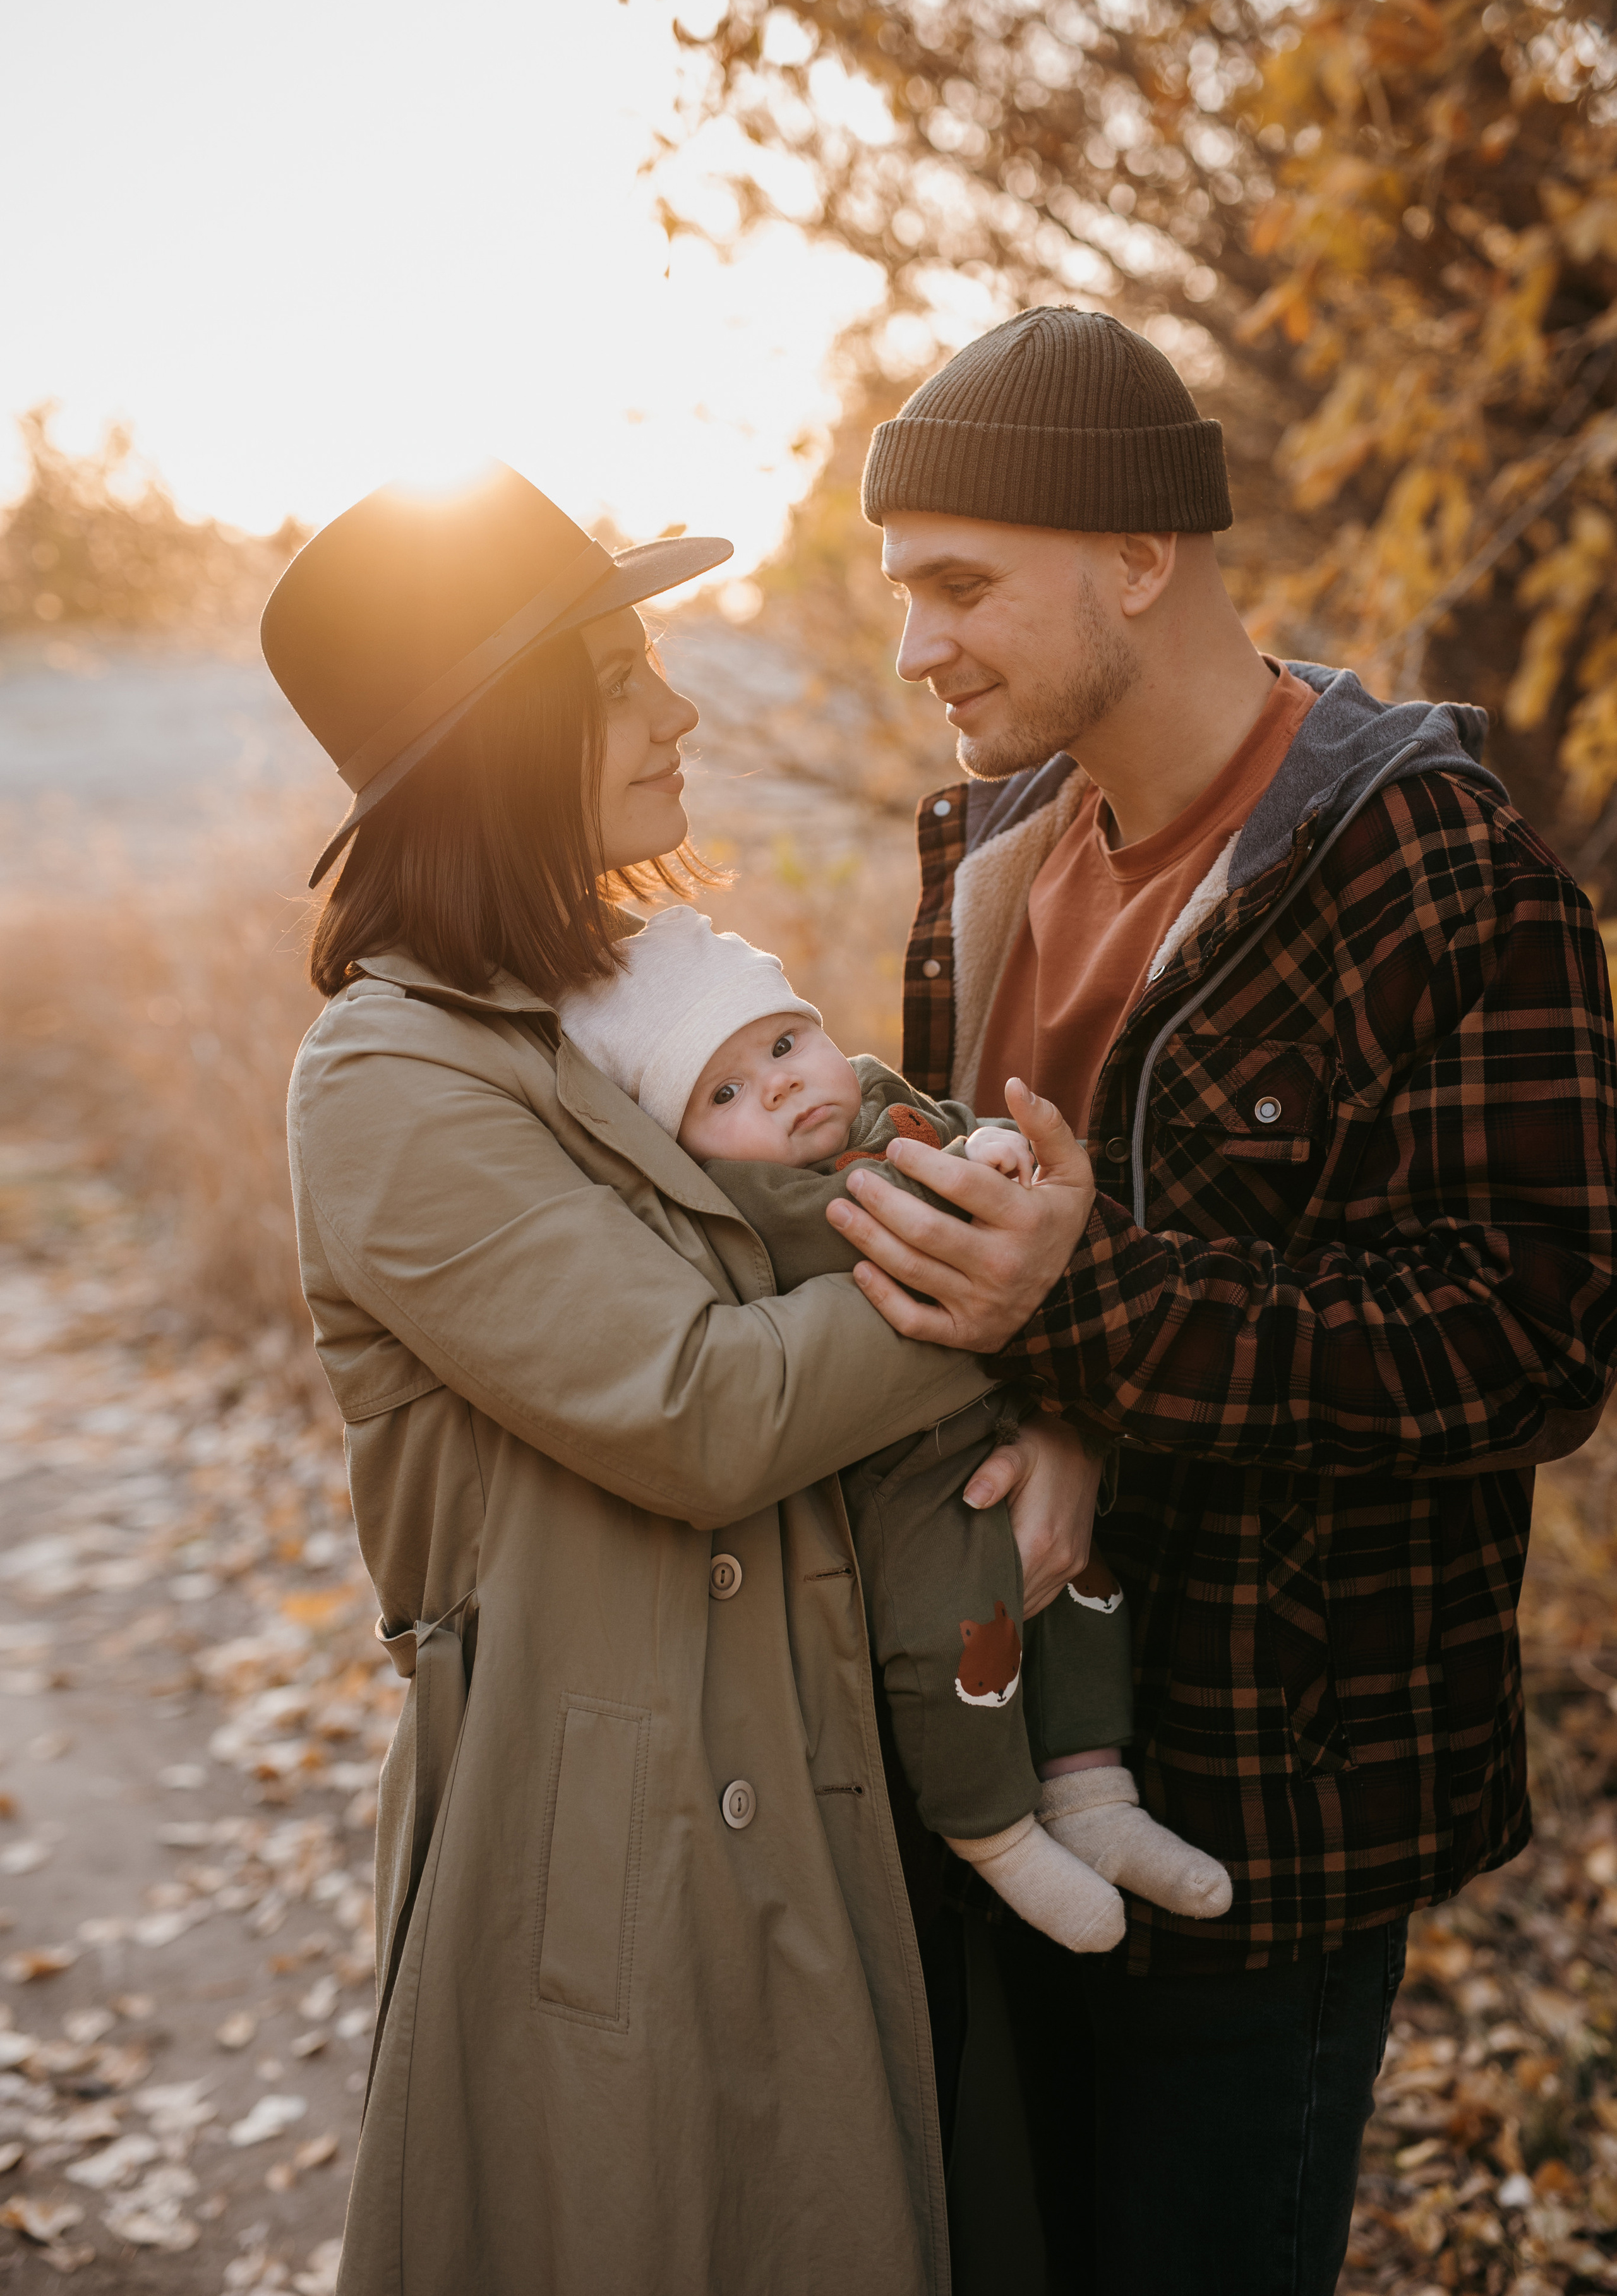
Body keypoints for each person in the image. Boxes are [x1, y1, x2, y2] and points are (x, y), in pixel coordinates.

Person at [822, 307, 1617, 2295]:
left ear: (1140, 557)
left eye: (957, 585)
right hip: (987, 1741)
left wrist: (1090, 1307)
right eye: (900, 591)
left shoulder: (1437, 872)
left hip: (1269, 1788)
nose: (915, 648)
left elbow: (1534, 1344)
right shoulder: (993, 852)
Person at [261, 462, 1100, 2296]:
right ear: (505, 738)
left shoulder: (640, 995)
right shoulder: (392, 1079)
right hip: (607, 1876)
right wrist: (1001, 1261)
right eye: (619, 676)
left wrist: (1041, 1403)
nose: (679, 709)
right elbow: (703, 1411)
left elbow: (824, 1250)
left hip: (820, 1793)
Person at [553, 901, 1232, 1951]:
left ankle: (1095, 1796)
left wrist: (998, 1151)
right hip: (904, 1475)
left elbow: (960, 1136)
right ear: (681, 1142)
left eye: (785, 1044)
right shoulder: (749, 1205)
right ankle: (995, 1829)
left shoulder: (881, 1102)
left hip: (1005, 1418)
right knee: (955, 1636)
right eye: (725, 1091)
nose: (779, 1084)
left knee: (1089, 1591)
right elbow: (874, 1258)